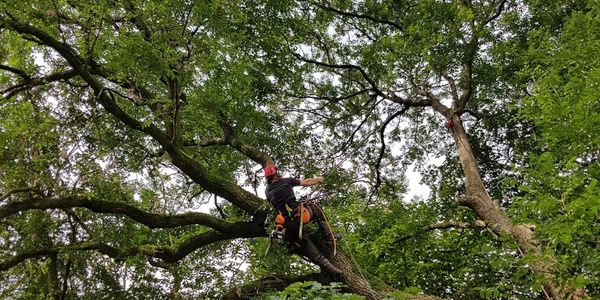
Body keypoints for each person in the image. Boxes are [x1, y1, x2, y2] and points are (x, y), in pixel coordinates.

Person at [264, 165, 342, 275]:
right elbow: (306, 182)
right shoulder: (287, 181)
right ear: (276, 173)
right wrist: (318, 180)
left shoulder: (267, 191)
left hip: (287, 224)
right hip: (300, 215)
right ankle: (329, 238)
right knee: (316, 210)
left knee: (304, 242)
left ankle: (332, 270)